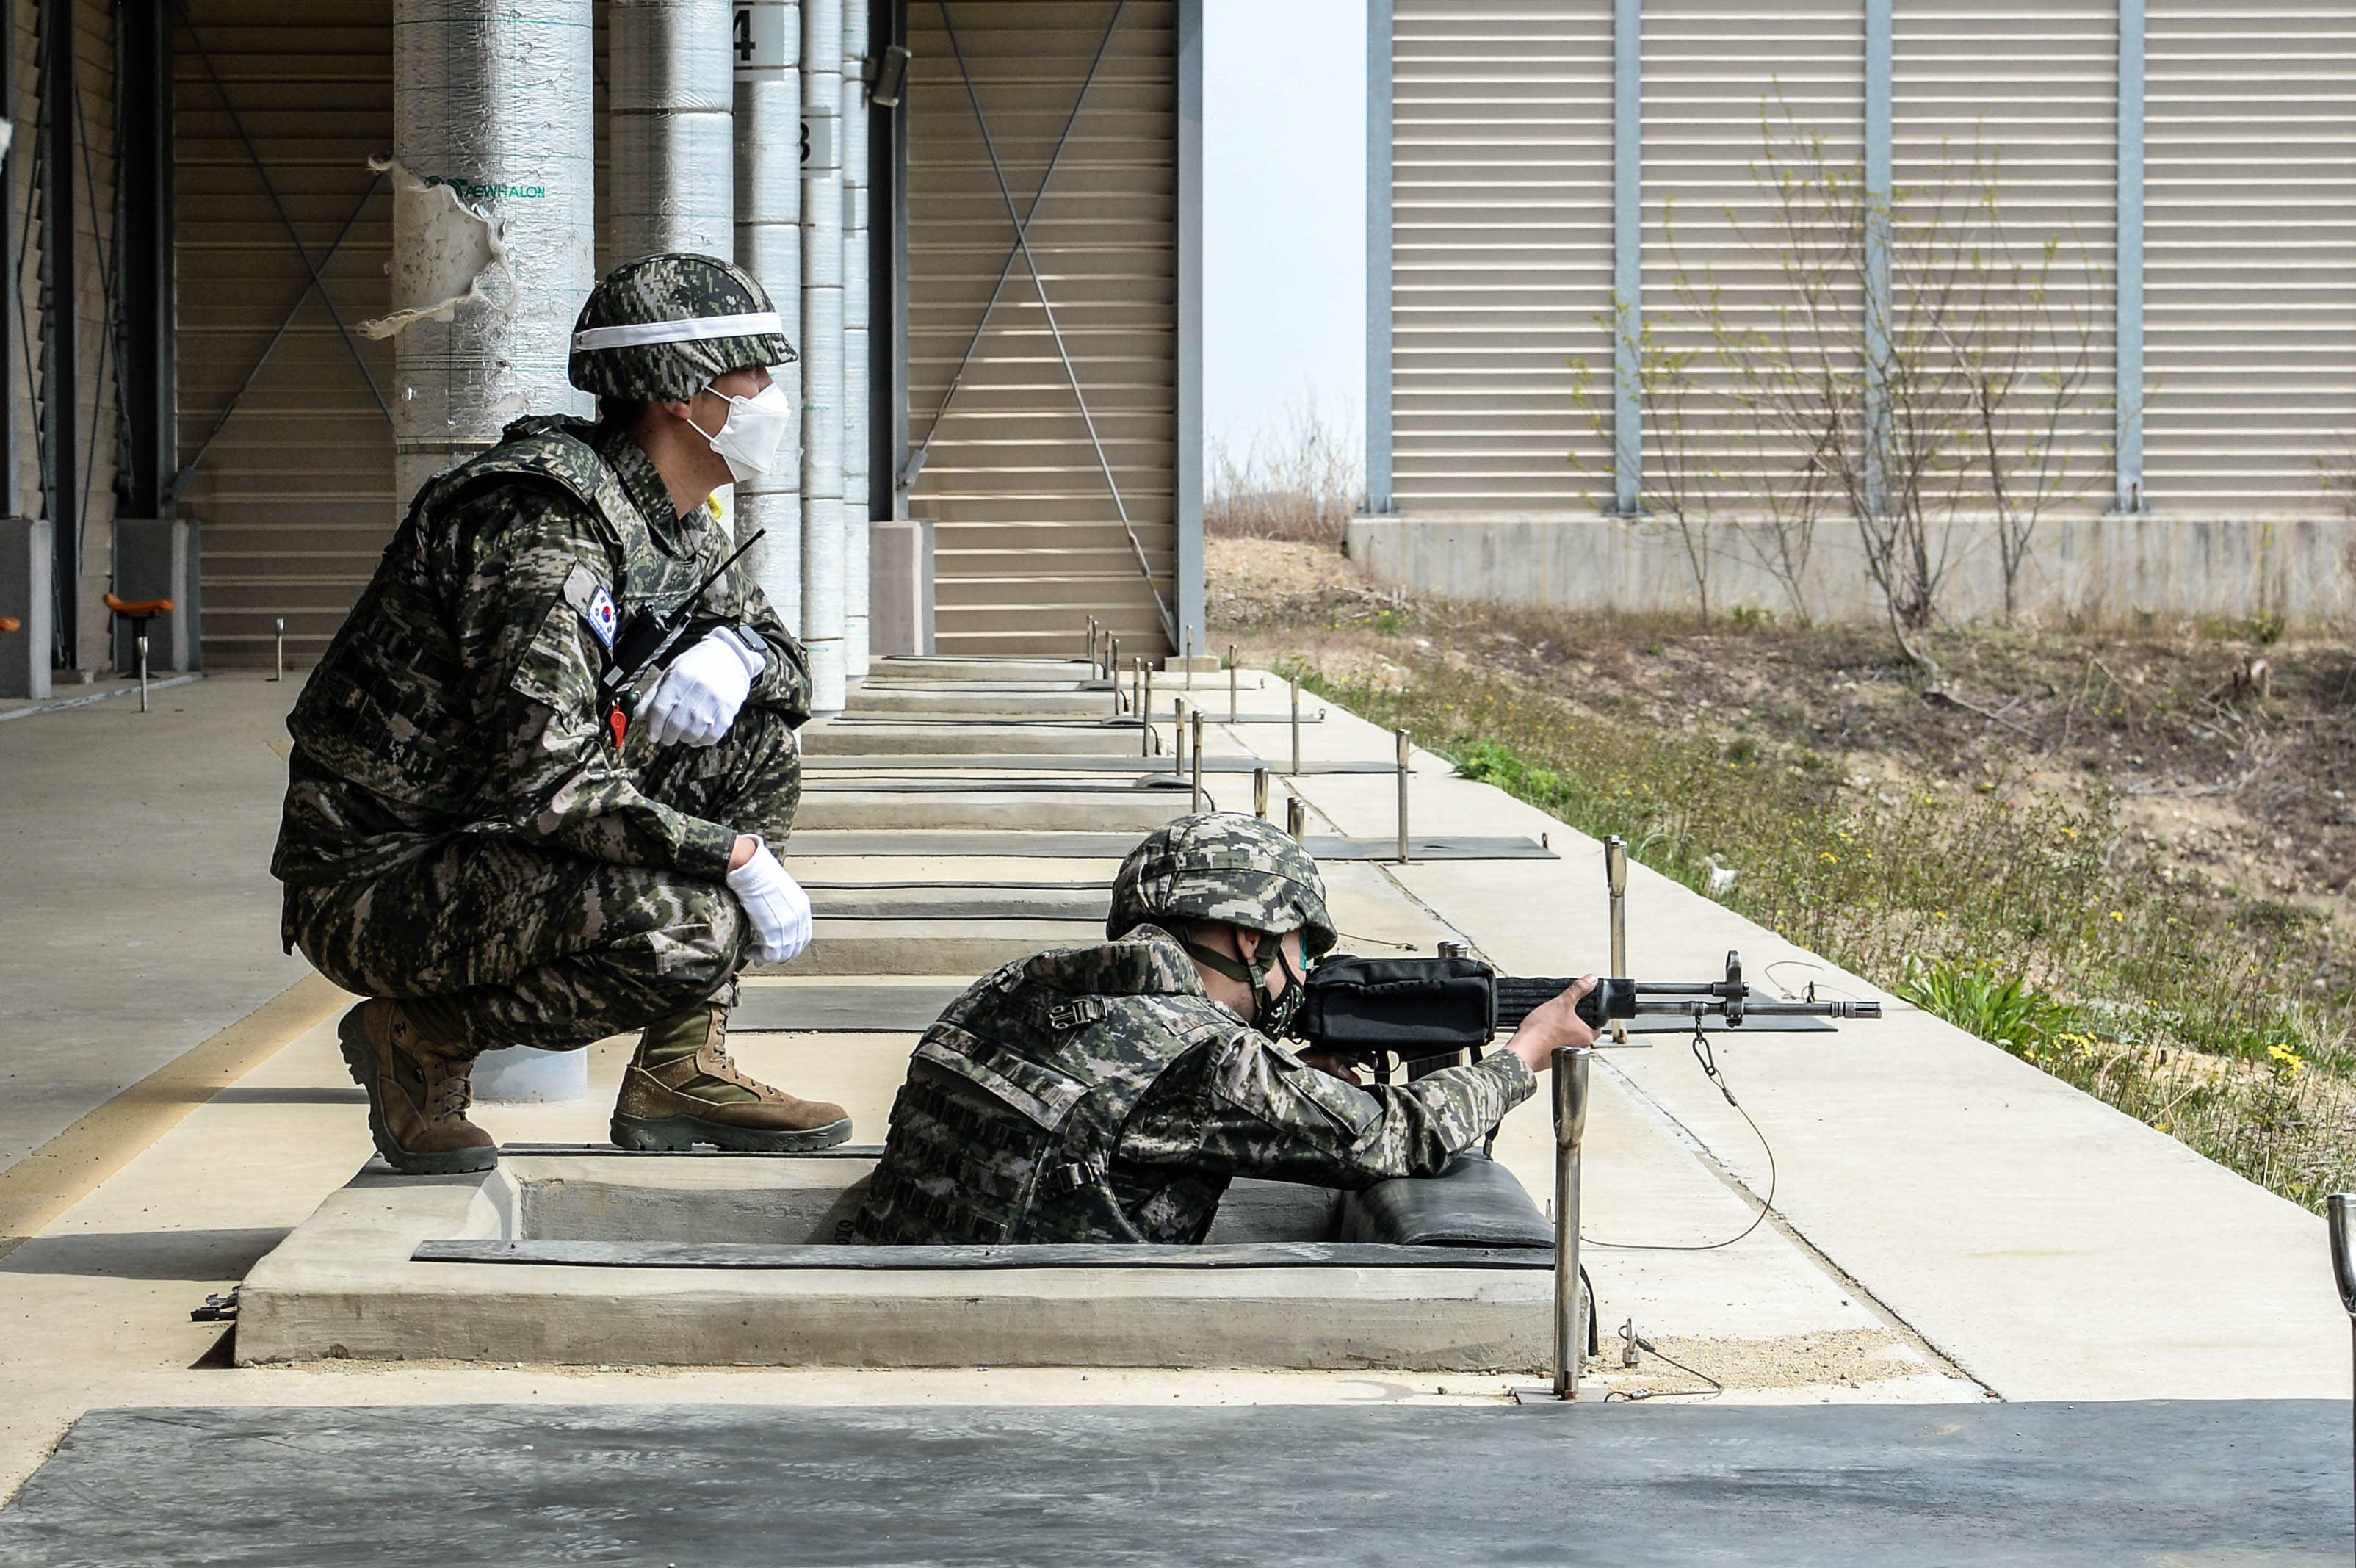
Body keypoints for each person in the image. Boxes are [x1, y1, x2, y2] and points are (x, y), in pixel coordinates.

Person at [272, 252, 851, 1174]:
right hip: (382, 874)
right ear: (684, 392)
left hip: (492, 837)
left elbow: (790, 668)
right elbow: (548, 783)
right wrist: (736, 858)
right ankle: (419, 1038)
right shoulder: (539, 518)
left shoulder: (672, 514)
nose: (772, 397)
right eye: (756, 375)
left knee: (752, 744)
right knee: (692, 924)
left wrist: (734, 652)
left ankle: (677, 1069)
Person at [851, 813, 1596, 1244]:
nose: (1302, 973)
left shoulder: (1009, 986)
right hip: (1039, 1352)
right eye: (1305, 946)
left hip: (900, 1285)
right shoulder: (1206, 1056)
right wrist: (1526, 1051)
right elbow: (1395, 1137)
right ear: (1251, 936)